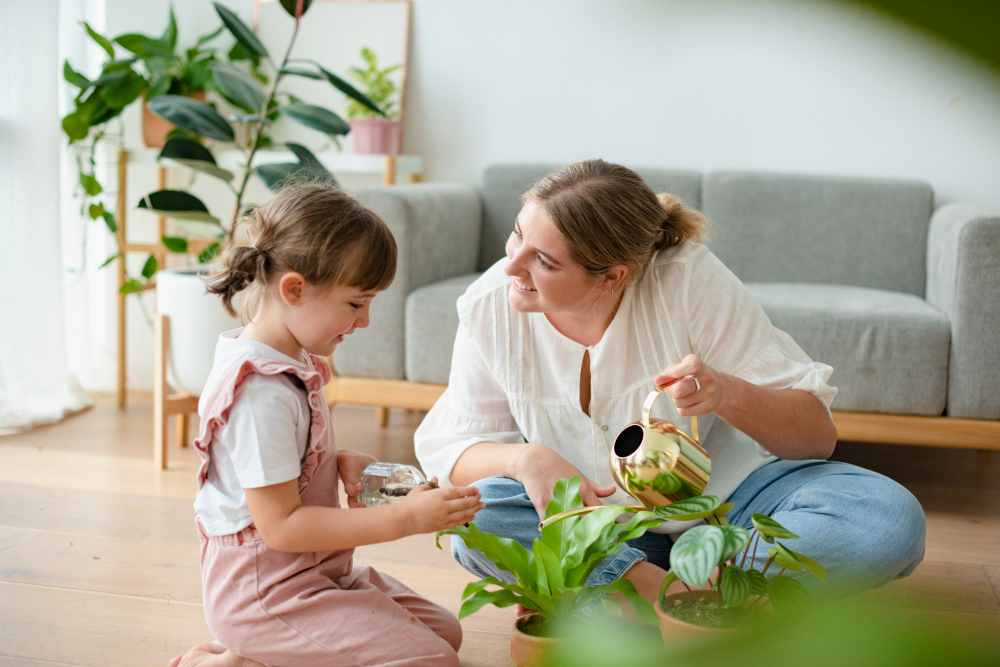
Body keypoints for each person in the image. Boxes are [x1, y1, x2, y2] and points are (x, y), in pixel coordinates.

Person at [415, 160, 925, 607]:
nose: (511, 266)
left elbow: (816, 437)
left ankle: (625, 598)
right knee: (476, 521)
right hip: (594, 532)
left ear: (612, 277)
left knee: (887, 518)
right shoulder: (490, 305)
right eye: (517, 235)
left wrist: (726, 393)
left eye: (544, 261)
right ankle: (686, 601)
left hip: (728, 513)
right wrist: (526, 459)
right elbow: (453, 448)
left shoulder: (687, 282)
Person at [171, 183, 483, 667]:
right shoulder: (259, 392)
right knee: (434, 661)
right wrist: (405, 519)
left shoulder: (293, 359)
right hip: (267, 594)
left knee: (446, 632)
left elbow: (273, 468)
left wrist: (336, 463)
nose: (365, 321)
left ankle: (256, 656)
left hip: (318, 572)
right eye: (357, 303)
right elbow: (280, 526)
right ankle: (247, 649)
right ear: (294, 289)